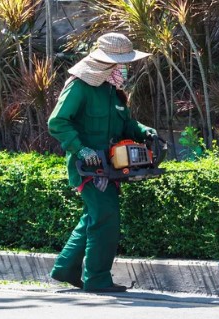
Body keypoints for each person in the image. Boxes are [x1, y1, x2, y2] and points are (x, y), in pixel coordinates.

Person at [48, 32, 156, 292]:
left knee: (93, 216)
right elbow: (57, 122)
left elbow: (126, 124)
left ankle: (66, 268)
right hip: (87, 166)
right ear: (105, 63)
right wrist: (81, 150)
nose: (125, 68)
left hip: (110, 166)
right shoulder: (80, 85)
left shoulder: (113, 90)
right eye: (121, 63)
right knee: (106, 215)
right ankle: (97, 279)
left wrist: (144, 131)